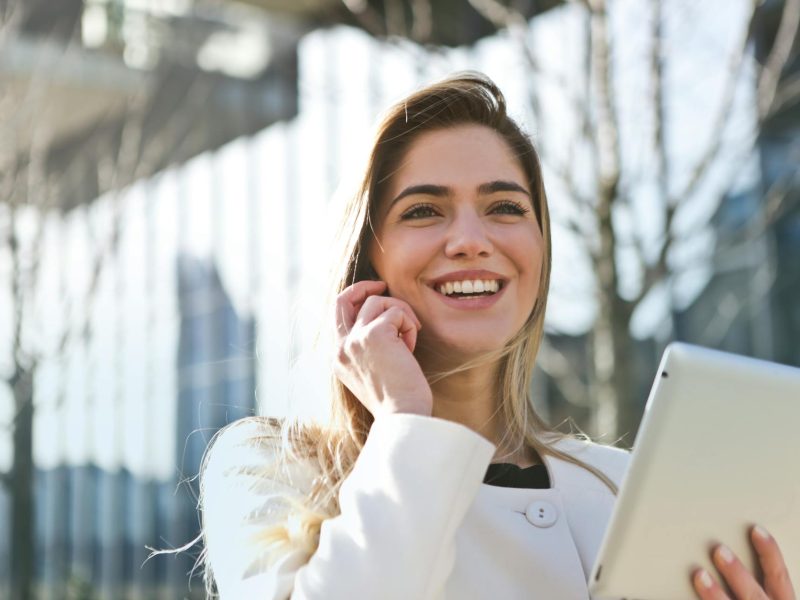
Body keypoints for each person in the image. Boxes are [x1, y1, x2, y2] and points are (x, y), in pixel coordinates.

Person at [199, 73, 795, 599]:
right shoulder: (264, 468)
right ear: (365, 260)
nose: (470, 239)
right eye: (424, 211)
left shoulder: (622, 487)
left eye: (505, 207)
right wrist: (407, 422)